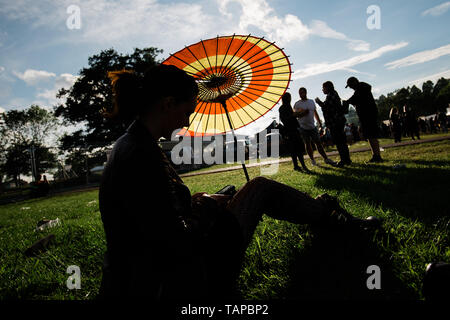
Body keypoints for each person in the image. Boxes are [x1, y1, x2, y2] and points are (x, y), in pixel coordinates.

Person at [97, 64, 380, 300]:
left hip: (150, 274)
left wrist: (196, 202)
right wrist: (206, 209)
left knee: (238, 191)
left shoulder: (135, 143)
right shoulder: (141, 155)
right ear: (168, 103)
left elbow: (157, 215)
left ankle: (324, 211)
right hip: (178, 281)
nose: (186, 121)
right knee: (259, 188)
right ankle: (331, 215)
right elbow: (171, 244)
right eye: (187, 112)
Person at [343, 77, 383, 163]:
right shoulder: (360, 89)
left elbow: (355, 98)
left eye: (350, 85)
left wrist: (347, 102)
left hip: (369, 115)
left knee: (372, 136)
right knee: (369, 136)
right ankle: (375, 155)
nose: (350, 87)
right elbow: (355, 99)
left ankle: (377, 156)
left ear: (354, 82)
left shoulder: (362, 88)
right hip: (365, 116)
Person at [293, 87, 336, 166]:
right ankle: (312, 160)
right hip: (302, 127)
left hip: (312, 126)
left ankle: (326, 158)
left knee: (318, 143)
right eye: (299, 93)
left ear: (306, 93)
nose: (301, 94)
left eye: (302, 92)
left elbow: (315, 112)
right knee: (307, 144)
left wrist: (319, 123)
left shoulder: (311, 101)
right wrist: (302, 113)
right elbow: (294, 115)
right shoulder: (297, 104)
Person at [315, 81, 351, 167]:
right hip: (337, 121)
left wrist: (319, 102)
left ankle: (344, 160)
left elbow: (327, 108)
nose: (322, 90)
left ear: (327, 87)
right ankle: (346, 159)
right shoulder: (333, 94)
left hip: (335, 122)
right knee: (342, 141)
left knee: (339, 142)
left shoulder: (331, 95)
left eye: (323, 88)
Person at [278, 92, 310, 172]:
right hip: (292, 130)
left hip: (288, 131)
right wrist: (301, 112)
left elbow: (287, 117)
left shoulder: (282, 108)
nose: (290, 99)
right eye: (290, 97)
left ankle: (296, 166)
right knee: (298, 149)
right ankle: (303, 165)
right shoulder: (286, 107)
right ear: (288, 98)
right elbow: (292, 116)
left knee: (293, 150)